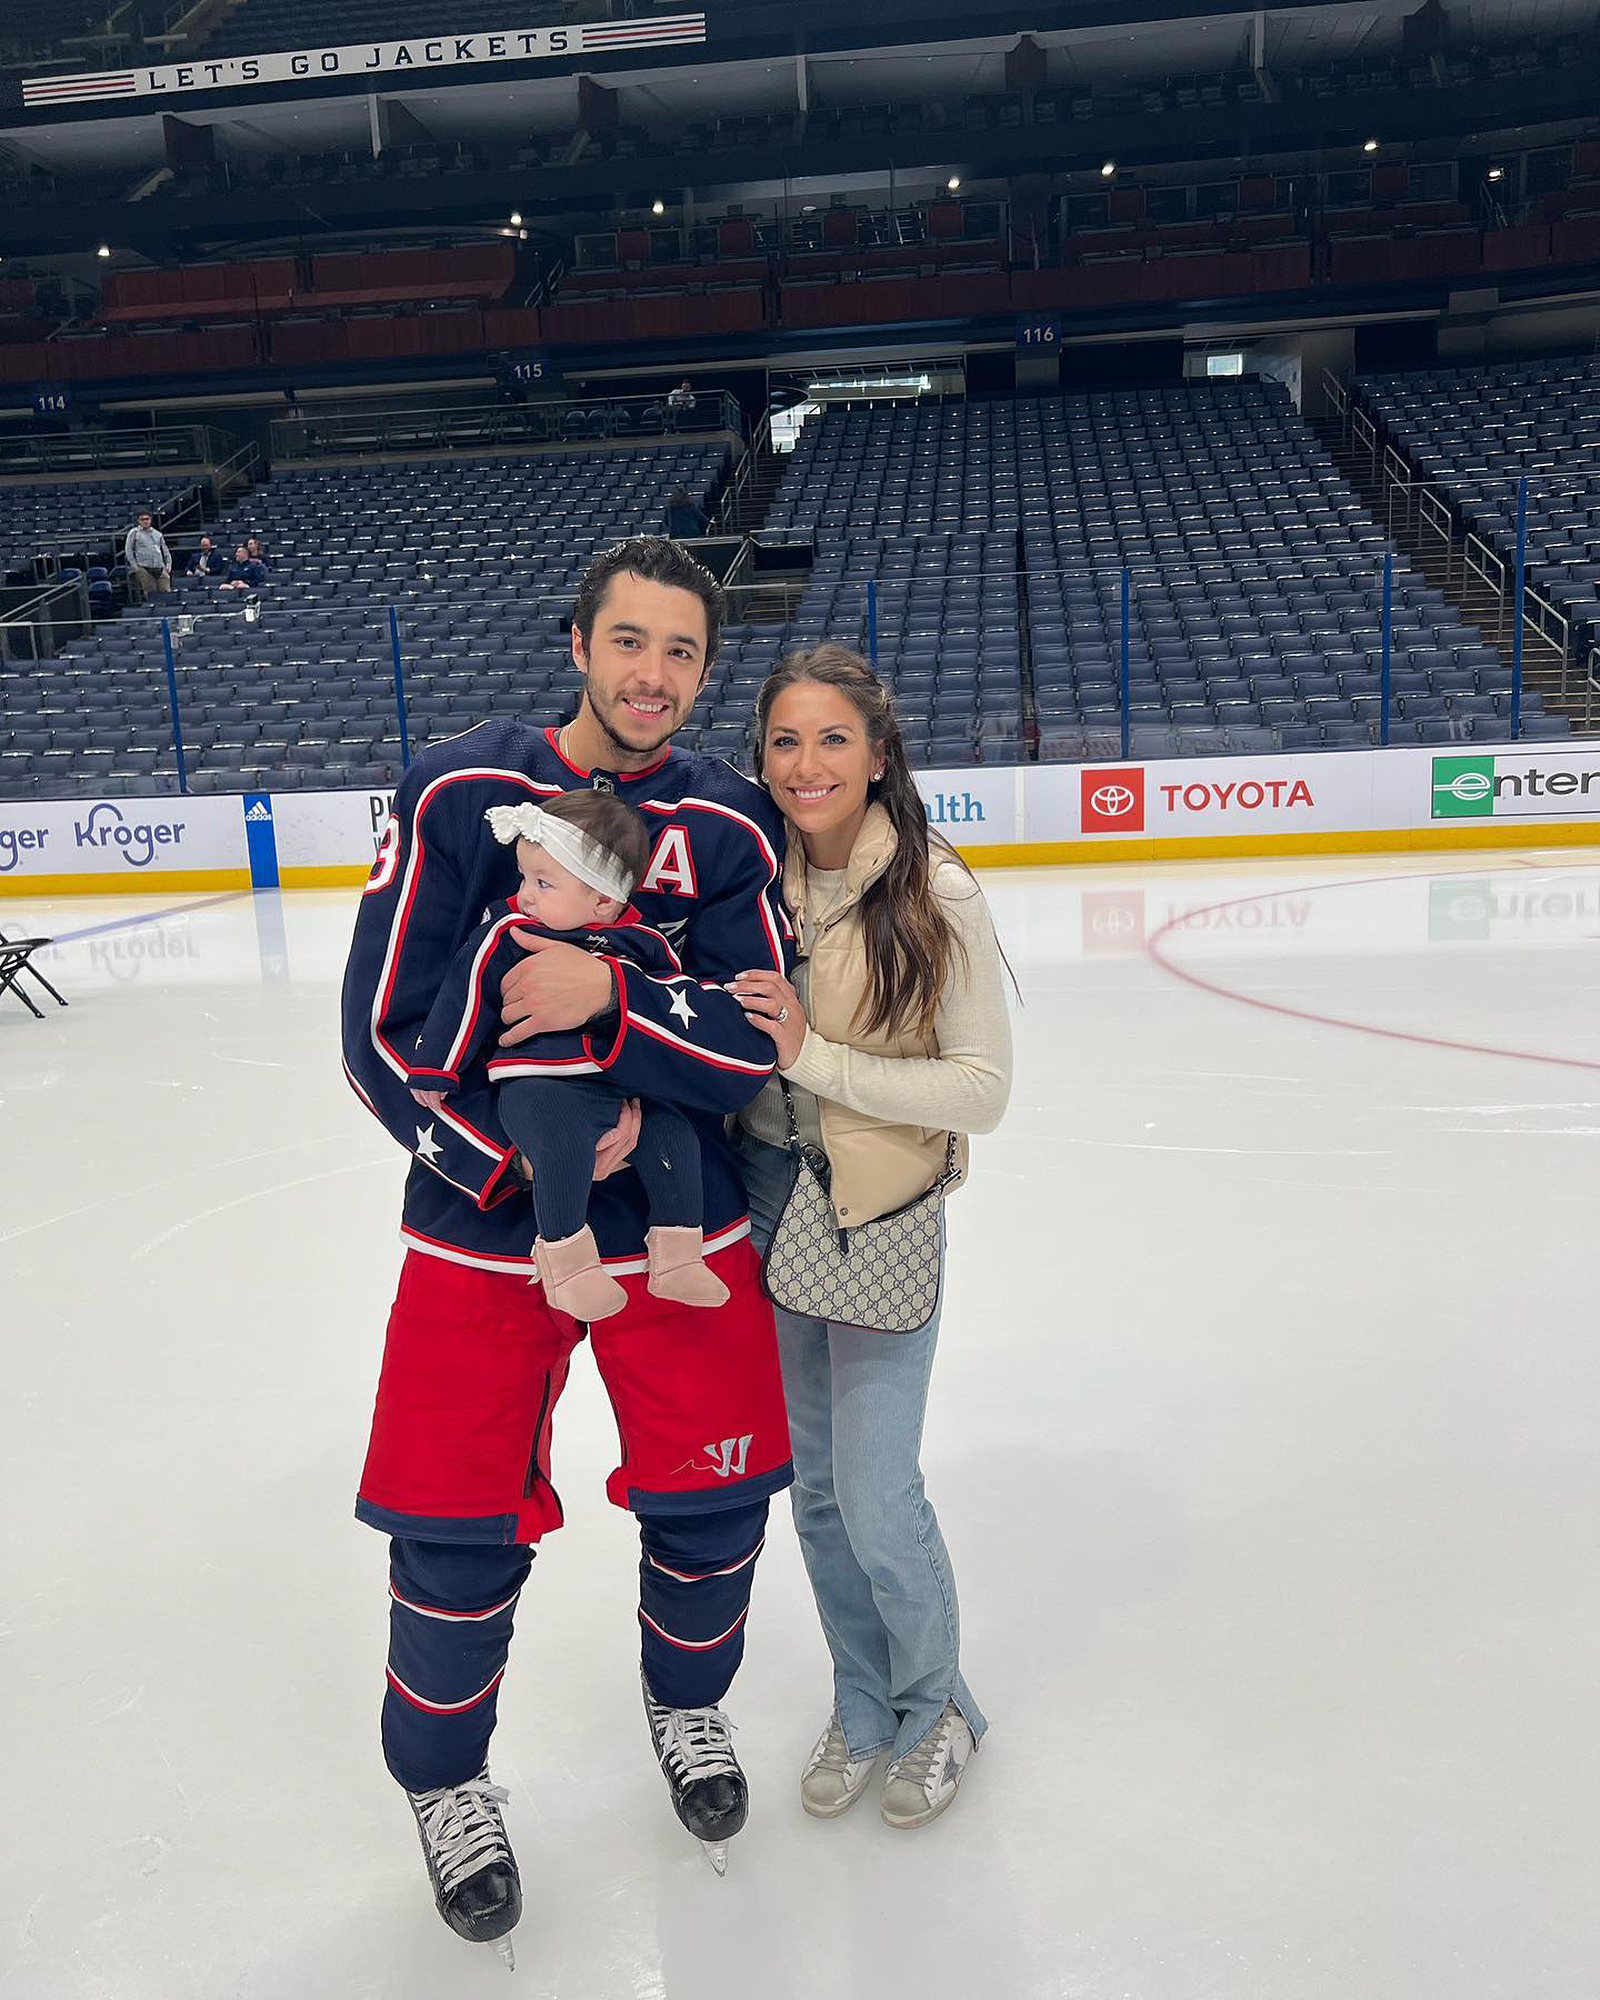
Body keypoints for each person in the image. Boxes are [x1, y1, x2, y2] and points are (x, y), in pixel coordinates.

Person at [340, 535, 795, 1965]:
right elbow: (379, 1035)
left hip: (680, 1230)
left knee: (715, 1508)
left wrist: (606, 999)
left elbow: (748, 1045)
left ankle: (687, 1698)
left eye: (684, 653)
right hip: (482, 1243)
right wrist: (501, 1166)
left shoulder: (727, 823)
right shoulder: (464, 789)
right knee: (455, 1532)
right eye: (631, 642)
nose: (655, 675)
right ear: (580, 643)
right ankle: (448, 1785)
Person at [728, 641, 1013, 1833]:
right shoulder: (745, 878)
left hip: (883, 1216)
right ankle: (861, 1698)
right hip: (769, 1204)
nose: (807, 764)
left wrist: (814, 1058)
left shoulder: (933, 892)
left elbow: (981, 1088)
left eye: (832, 738)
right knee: (819, 1497)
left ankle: (937, 1701)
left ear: (878, 754)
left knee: (881, 1490)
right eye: (785, 741)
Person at [407, 792, 731, 1318]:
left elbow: (674, 1007)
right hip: (540, 1086)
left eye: (543, 883)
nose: (525, 895)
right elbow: (465, 995)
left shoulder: (643, 944)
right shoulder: (510, 933)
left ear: (603, 902)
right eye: (525, 880)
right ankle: (568, 1264)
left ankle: (677, 1256)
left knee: (675, 1139)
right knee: (561, 1150)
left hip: (621, 1088)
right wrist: (436, 1064)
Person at [122, 509, 171, 602]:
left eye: (147, 519)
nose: (145, 521)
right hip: (144, 568)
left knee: (166, 592)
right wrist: (135, 567)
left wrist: (168, 565)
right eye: (142, 519)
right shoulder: (134, 533)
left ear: (150, 519)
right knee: (150, 592)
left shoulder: (157, 534)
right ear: (138, 521)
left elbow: (165, 550)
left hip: (159, 567)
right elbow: (128, 550)